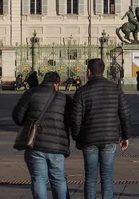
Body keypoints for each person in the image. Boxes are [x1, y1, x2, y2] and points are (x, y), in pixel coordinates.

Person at [71, 59, 131, 199]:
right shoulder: (115, 89)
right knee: (107, 177)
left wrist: (77, 138)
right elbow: (125, 114)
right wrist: (125, 136)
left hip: (89, 138)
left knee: (90, 178)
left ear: (89, 72)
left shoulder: (82, 91)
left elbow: (75, 119)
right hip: (110, 138)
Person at [12, 71, 72, 199]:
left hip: (35, 143)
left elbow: (17, 116)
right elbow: (71, 120)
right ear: (56, 84)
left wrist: (29, 122)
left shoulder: (30, 93)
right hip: (57, 145)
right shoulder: (64, 99)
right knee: (58, 179)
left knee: (38, 179)